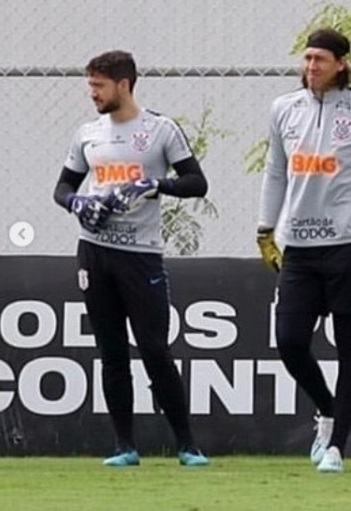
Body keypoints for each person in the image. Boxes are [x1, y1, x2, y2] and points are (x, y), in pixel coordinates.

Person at [256, 28, 351, 473]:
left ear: (341, 63)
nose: (311, 67)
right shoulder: (283, 109)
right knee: (289, 342)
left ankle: (338, 446)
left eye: (320, 59)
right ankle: (326, 409)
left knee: (350, 350)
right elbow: (275, 173)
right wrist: (266, 231)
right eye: (306, 58)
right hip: (300, 250)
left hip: (350, 247)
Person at [53, 50, 210, 467]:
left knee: (155, 350)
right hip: (94, 251)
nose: (93, 94)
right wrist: (77, 204)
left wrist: (153, 185)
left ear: (123, 84)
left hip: (140, 256)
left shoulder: (160, 130)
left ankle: (188, 446)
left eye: (99, 86)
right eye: (90, 86)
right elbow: (63, 187)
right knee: (111, 352)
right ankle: (125, 446)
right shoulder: (88, 133)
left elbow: (196, 183)